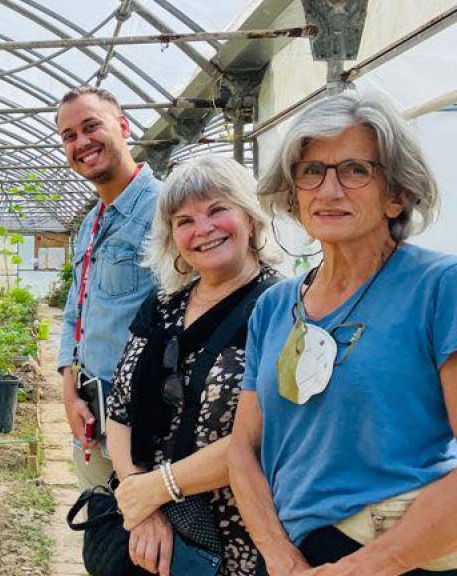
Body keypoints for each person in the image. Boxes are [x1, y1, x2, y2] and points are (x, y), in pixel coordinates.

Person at [229, 91, 457, 576]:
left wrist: (364, 568)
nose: (328, 191)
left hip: (403, 556)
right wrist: (279, 556)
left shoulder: (440, 287)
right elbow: (242, 450)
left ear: (398, 193)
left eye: (355, 171)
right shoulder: (274, 307)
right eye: (311, 171)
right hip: (298, 555)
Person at [105, 156, 282, 576]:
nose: (202, 229)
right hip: (151, 526)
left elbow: (263, 436)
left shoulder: (280, 307)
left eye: (218, 210)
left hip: (239, 537)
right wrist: (139, 498)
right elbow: (120, 405)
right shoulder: (164, 305)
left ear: (251, 219)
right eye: (184, 221)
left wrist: (155, 489)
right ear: (172, 238)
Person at [55, 85, 162, 489]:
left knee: (144, 549)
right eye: (69, 136)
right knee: (102, 547)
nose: (81, 143)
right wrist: (69, 389)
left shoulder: (166, 212)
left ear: (123, 127)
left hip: (143, 435)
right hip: (90, 422)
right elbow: (73, 314)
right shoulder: (91, 223)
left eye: (90, 127)